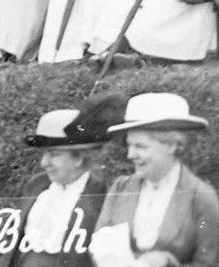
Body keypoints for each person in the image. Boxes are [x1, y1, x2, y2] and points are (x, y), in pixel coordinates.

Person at [92, 93, 219, 267]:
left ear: (171, 146)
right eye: (129, 145)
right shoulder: (121, 187)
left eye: (140, 146)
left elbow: (209, 263)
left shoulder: (201, 197)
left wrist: (168, 262)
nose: (131, 155)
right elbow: (98, 246)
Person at [8, 97, 122, 267]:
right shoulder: (37, 187)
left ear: (79, 157)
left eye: (54, 154)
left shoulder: (101, 196)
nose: (44, 162)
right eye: (44, 154)